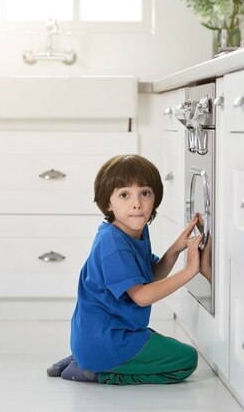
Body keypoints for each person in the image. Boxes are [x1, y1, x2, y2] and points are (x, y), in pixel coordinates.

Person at [47, 154, 204, 385]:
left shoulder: (134, 231)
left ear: (155, 199)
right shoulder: (112, 243)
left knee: (156, 342)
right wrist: (190, 271)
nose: (136, 203)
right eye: (124, 195)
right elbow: (142, 296)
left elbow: (149, 278)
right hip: (108, 340)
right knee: (187, 359)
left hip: (104, 335)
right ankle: (96, 370)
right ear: (108, 202)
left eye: (145, 193)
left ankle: (84, 359)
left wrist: (175, 249)